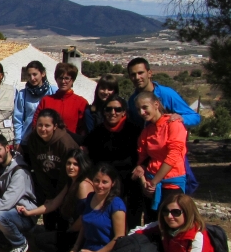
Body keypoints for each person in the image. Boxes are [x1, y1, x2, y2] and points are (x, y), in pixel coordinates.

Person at [47, 163, 126, 252]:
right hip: (86, 249)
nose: (100, 185)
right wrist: (75, 248)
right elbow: (84, 225)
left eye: (105, 182)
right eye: (97, 181)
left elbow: (119, 237)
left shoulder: (116, 204)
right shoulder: (90, 198)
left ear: (113, 183)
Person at [19, 149, 94, 252]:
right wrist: (29, 212)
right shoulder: (71, 181)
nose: (71, 167)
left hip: (81, 233)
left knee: (40, 241)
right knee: (44, 231)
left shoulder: (83, 185)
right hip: (71, 226)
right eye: (69, 163)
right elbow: (53, 204)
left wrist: (70, 230)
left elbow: (85, 216)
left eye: (75, 164)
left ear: (83, 165)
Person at [83, 95, 143, 229]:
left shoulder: (134, 131)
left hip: (129, 181)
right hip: (105, 182)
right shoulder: (97, 132)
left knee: (130, 219)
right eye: (109, 109)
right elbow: (89, 151)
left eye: (117, 109)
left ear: (124, 112)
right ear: (104, 112)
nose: (113, 113)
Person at [132, 91, 188, 220]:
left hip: (171, 183)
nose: (141, 112)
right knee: (151, 222)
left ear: (156, 104)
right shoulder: (147, 131)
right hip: (150, 183)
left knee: (171, 221)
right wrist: (144, 182)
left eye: (145, 107)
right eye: (138, 109)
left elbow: (174, 155)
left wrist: (154, 182)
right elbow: (143, 158)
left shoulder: (173, 124)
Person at [23, 109, 79, 230]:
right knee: (48, 213)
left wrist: (58, 194)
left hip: (66, 182)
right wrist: (49, 193)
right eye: (40, 125)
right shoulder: (33, 139)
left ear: (55, 126)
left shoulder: (65, 142)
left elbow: (68, 173)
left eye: (47, 125)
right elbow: (37, 168)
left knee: (63, 214)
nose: (43, 129)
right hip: (47, 180)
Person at [127, 57, 201, 129]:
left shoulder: (166, 94)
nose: (137, 77)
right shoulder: (132, 100)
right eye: (133, 74)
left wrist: (181, 118)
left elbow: (194, 117)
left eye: (140, 73)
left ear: (149, 73)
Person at [32, 62, 89, 138]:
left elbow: (84, 129)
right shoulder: (46, 100)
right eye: (60, 78)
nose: (63, 82)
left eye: (67, 78)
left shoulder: (81, 102)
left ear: (72, 80)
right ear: (56, 79)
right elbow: (36, 122)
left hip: (71, 145)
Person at [13, 61, 57, 145]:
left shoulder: (53, 91)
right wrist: (18, 140)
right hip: (28, 139)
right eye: (29, 75)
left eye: (35, 74)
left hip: (50, 139)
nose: (32, 78)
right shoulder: (23, 94)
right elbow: (18, 119)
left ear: (43, 73)